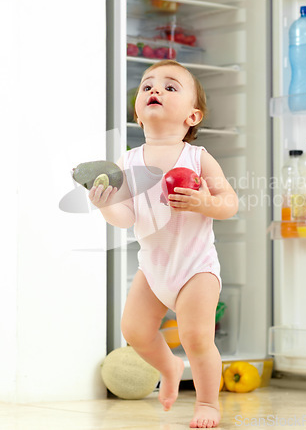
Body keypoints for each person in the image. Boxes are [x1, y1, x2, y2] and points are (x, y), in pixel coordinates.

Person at [89, 60, 238, 428]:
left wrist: (205, 203)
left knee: (196, 336)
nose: (155, 90)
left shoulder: (198, 158)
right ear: (138, 114)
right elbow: (126, 219)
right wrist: (108, 204)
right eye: (147, 86)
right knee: (135, 330)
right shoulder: (128, 162)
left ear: (192, 116)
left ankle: (207, 403)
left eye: (170, 87)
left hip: (195, 268)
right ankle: (169, 366)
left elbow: (229, 204)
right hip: (154, 269)